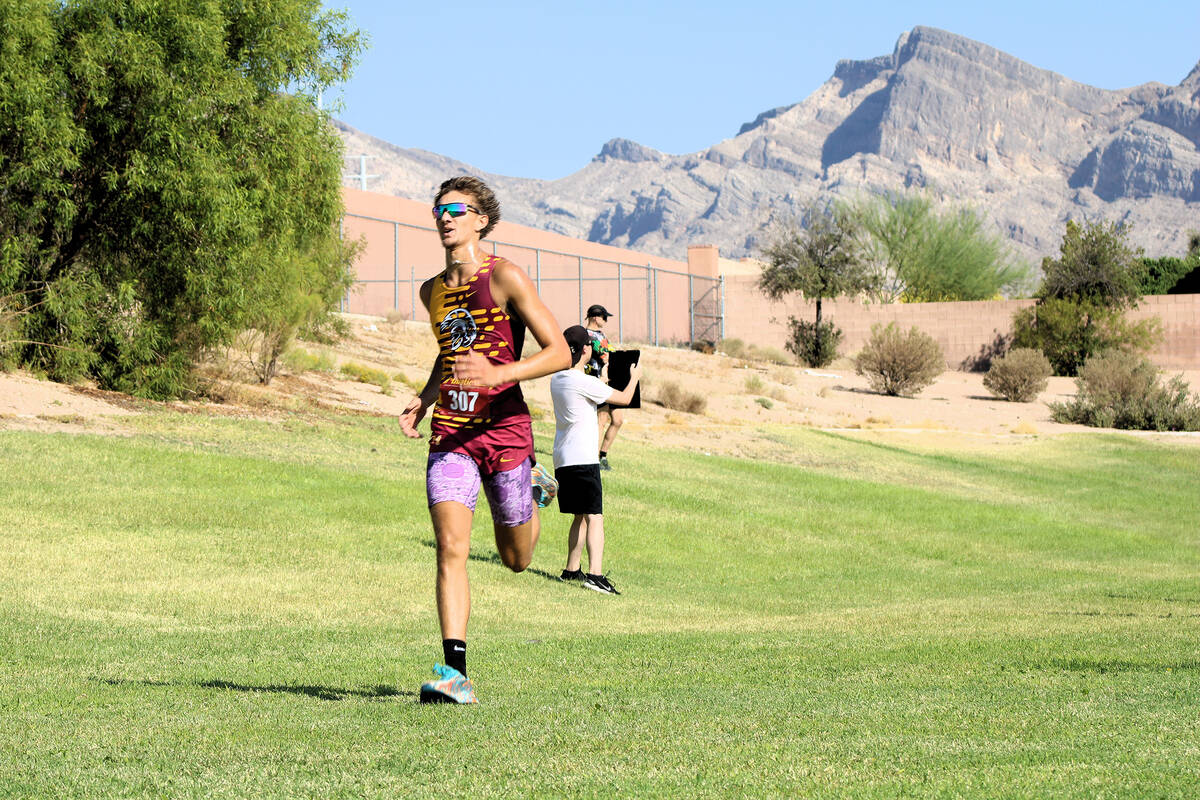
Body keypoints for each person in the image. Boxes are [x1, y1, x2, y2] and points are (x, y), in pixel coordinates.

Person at [399, 176, 570, 704]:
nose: (444, 216)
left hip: (505, 431)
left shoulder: (506, 278)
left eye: (456, 208)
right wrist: (426, 397)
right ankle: (455, 674)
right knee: (451, 547)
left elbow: (561, 351)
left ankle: (534, 487)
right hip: (452, 433)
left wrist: (501, 374)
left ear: (481, 219)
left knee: (516, 557)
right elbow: (448, 352)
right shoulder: (431, 291)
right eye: (438, 208)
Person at [550, 325, 641, 595]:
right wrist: (634, 376)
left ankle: (571, 570)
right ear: (585, 350)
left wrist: (603, 372)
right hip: (583, 458)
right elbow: (623, 398)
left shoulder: (558, 379)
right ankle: (595, 575)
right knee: (595, 516)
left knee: (579, 515)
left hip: (563, 458)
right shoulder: (583, 382)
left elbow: (593, 388)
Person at [583, 304, 621, 470]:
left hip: (610, 381)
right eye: (604, 317)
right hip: (597, 381)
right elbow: (604, 355)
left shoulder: (601, 334)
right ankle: (594, 459)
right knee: (602, 419)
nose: (606, 320)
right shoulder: (587, 335)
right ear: (596, 317)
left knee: (618, 420)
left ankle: (602, 455)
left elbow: (609, 352)